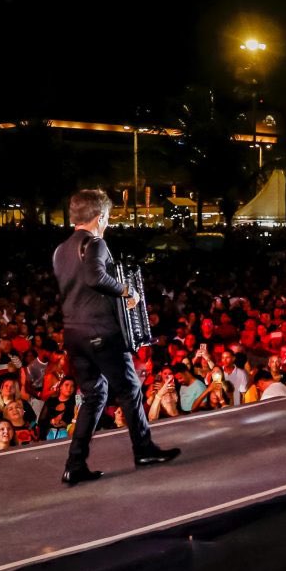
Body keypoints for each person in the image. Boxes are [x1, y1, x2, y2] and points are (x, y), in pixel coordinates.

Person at [53, 189, 178, 486]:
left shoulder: (60, 250)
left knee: (95, 395)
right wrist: (127, 291)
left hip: (73, 333)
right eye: (107, 219)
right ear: (101, 217)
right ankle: (144, 450)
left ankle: (75, 465)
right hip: (100, 332)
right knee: (130, 389)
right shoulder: (94, 243)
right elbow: (95, 278)